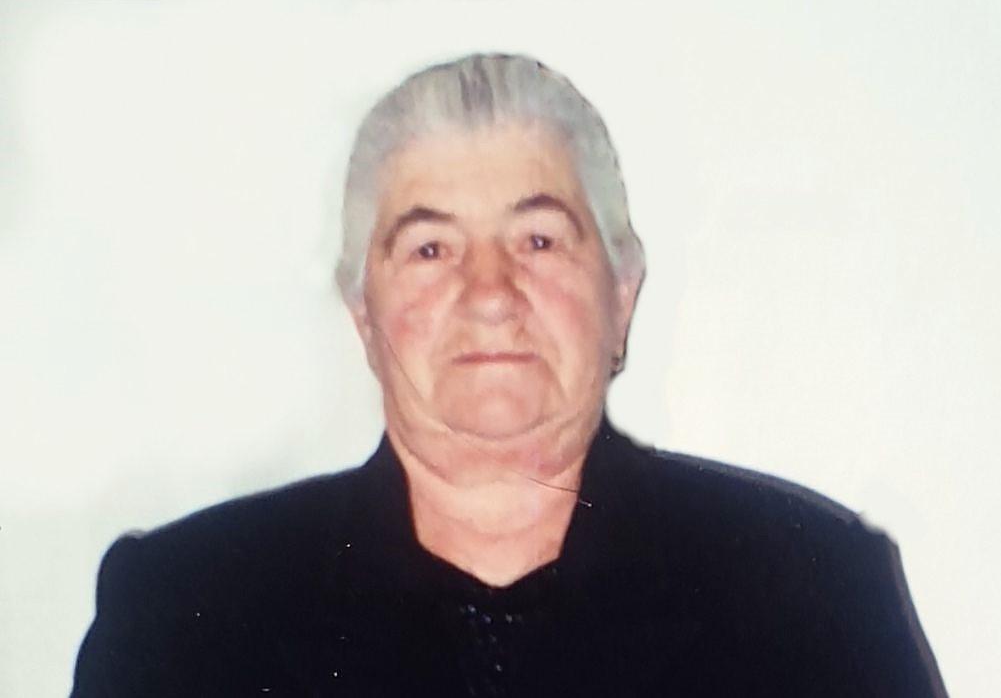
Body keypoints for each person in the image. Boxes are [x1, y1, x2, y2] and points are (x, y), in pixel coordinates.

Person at [71, 53, 947, 697]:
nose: (489, 293)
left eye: (538, 239)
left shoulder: (809, 591)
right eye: (429, 247)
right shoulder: (184, 609)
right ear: (364, 316)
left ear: (621, 294)